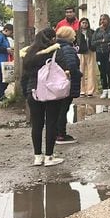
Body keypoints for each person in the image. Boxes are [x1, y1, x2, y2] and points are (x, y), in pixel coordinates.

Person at [21, 27, 69, 166]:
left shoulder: (28, 54)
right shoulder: (55, 51)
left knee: (36, 125)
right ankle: (49, 156)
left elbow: (24, 77)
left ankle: (37, 156)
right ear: (52, 38)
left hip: (33, 92)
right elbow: (65, 69)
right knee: (51, 123)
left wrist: (26, 93)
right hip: (51, 91)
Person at [54, 26, 82, 145]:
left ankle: (56, 133)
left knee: (58, 108)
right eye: (73, 34)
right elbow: (71, 66)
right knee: (63, 109)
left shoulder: (56, 47)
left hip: (57, 82)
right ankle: (61, 134)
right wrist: (78, 74)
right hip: (67, 82)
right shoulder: (68, 49)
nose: (75, 36)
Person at [91, 14, 110, 99]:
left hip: (108, 52)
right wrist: (102, 40)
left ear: (108, 20)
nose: (102, 21)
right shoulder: (97, 30)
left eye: (104, 19)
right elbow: (93, 42)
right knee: (102, 72)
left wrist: (103, 38)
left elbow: (109, 39)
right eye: (101, 19)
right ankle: (104, 89)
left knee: (109, 70)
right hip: (99, 53)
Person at [0, 23, 13, 104]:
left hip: (2, 61)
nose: (11, 34)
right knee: (1, 79)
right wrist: (6, 50)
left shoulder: (4, 38)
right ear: (6, 30)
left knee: (5, 79)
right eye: (11, 32)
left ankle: (1, 95)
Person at [76, 17, 97, 97]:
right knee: (81, 71)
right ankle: (82, 90)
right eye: (83, 23)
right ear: (80, 24)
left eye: (86, 23)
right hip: (81, 53)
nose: (84, 24)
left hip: (90, 52)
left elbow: (95, 41)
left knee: (91, 71)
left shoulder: (92, 32)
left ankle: (90, 90)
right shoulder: (77, 33)